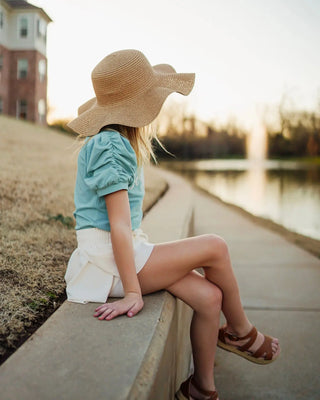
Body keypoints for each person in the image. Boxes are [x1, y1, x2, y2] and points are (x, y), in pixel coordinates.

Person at [65, 49, 280, 400]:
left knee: (209, 298)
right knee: (216, 247)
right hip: (109, 263)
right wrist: (133, 292)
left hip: (117, 255)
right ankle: (241, 332)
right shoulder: (111, 146)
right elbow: (118, 227)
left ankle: (200, 389)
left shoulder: (112, 142)